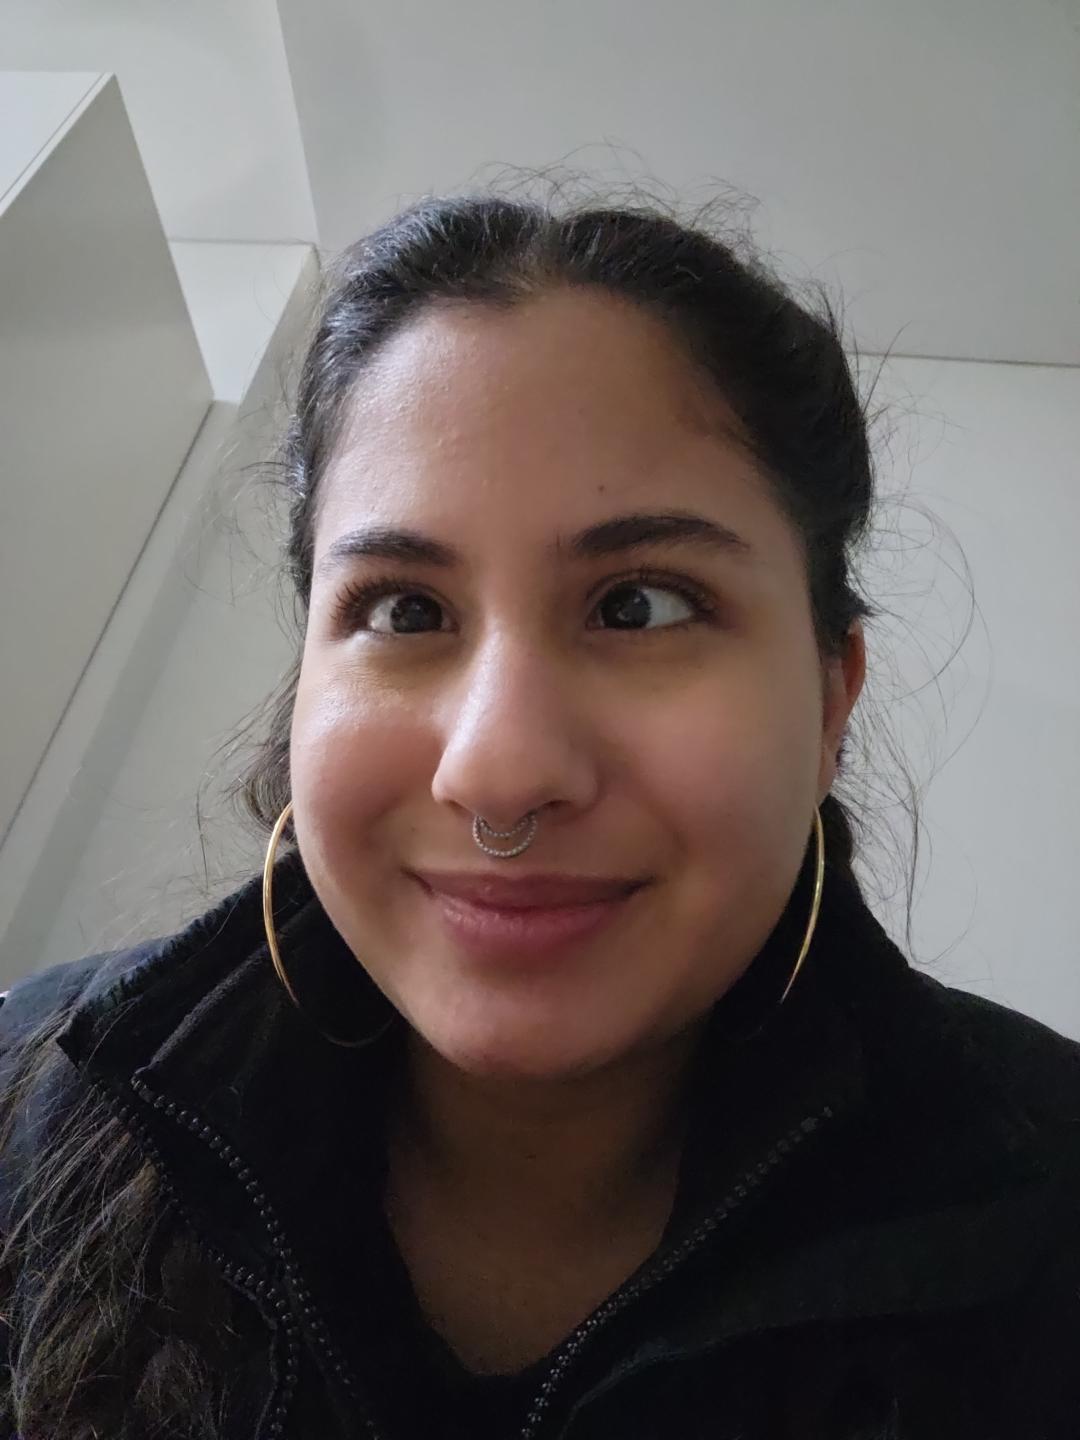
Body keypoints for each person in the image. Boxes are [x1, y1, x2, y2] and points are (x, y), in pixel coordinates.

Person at [1, 193, 1078, 1440]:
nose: (500, 771)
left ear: (831, 699)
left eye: (640, 606)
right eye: (405, 610)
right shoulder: (25, 1100)